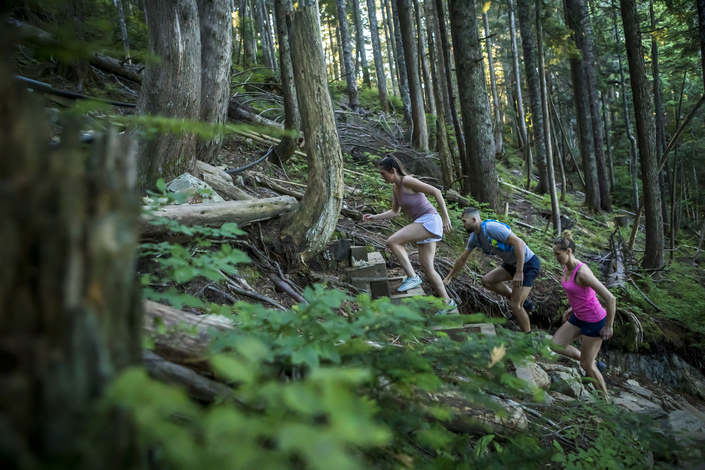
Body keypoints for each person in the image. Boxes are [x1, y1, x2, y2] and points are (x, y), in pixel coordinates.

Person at [362, 156, 456, 313]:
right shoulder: (395, 188)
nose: (381, 176)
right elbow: (394, 212)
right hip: (423, 222)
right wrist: (374, 217)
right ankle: (447, 302)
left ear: (393, 171)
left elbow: (436, 192)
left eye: (383, 173)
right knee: (427, 267)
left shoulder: (407, 181)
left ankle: (412, 277)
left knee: (393, 241)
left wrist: (446, 218)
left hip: (429, 220)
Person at [443, 207, 540, 332]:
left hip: (527, 263)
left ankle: (528, 339)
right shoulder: (475, 238)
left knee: (515, 306)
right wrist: (448, 277)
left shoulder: (491, 228)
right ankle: (524, 303)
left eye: (464, 221)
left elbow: (519, 243)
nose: (463, 225)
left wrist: (519, 272)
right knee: (487, 281)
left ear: (473, 219)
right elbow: (463, 259)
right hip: (511, 264)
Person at [550, 230, 615, 400]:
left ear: (568, 252)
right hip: (579, 315)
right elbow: (581, 294)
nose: (555, 257)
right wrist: (573, 308)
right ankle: (594, 363)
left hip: (594, 320)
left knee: (585, 364)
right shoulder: (566, 267)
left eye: (558, 254)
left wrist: (608, 326)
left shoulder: (583, 273)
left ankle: (605, 402)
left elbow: (610, 298)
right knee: (556, 344)